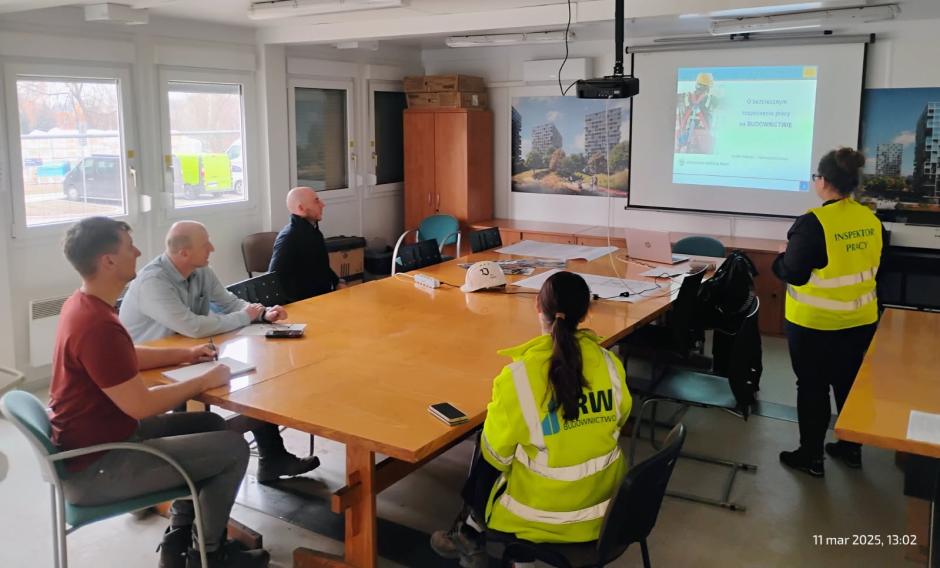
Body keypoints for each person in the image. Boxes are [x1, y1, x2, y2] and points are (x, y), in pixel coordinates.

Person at [50, 217, 269, 568]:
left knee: (211, 424)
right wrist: (202, 379)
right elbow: (141, 405)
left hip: (97, 444)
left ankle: (180, 536)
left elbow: (126, 355)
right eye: (128, 246)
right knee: (232, 448)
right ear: (108, 260)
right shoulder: (98, 325)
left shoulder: (84, 306)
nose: (138, 252)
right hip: (99, 467)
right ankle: (207, 555)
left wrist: (184, 354)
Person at [430, 271, 632, 568]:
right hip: (605, 514)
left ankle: (472, 530)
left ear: (538, 307)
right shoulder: (611, 365)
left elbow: (496, 455)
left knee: (489, 447)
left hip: (536, 516)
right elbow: (621, 418)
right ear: (587, 312)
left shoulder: (519, 378)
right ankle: (472, 531)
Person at [120, 221, 319, 483]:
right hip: (152, 363)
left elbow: (228, 302)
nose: (212, 248)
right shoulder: (153, 282)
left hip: (190, 354)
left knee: (255, 380)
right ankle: (181, 477)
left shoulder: (201, 270)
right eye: (206, 245)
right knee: (200, 396)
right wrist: (244, 317)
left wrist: (260, 313)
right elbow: (193, 326)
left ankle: (273, 457)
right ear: (184, 253)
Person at [775, 148, 885, 478]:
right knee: (848, 384)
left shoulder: (812, 224)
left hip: (814, 325)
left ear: (823, 182)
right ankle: (851, 449)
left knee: (812, 387)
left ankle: (811, 456)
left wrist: (779, 259)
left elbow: (793, 272)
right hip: (860, 321)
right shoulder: (869, 218)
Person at [269, 187, 343, 303]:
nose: (322, 204)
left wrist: (337, 281)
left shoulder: (313, 231)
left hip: (321, 297)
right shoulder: (289, 238)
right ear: (301, 208)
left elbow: (321, 265)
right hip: (303, 304)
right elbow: (273, 279)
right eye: (316, 201)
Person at [675, 72, 716, 154]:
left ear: (697, 84)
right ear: (708, 88)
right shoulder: (712, 101)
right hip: (703, 143)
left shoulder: (681, 97)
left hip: (683, 142)